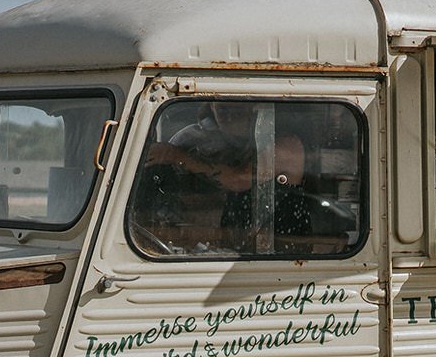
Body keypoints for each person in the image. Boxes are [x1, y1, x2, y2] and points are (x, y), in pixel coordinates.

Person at [131, 102, 310, 254]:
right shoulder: (231, 145)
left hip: (282, 250)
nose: (229, 114)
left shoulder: (286, 144)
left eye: (236, 106)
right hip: (245, 246)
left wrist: (177, 156)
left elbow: (238, 179)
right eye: (222, 108)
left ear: (255, 108)